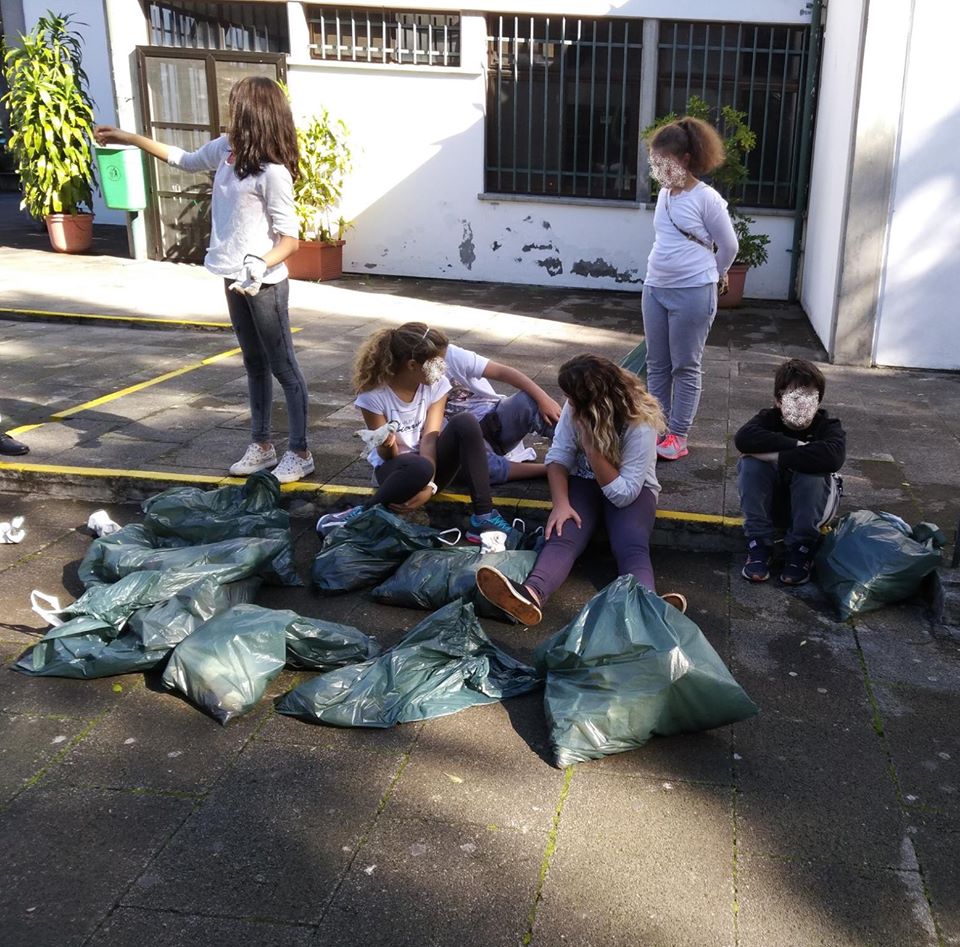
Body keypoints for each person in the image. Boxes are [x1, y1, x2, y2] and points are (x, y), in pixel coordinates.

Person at [94, 77, 313, 484]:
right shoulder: (227, 149)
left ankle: (299, 451)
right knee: (253, 363)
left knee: (284, 366)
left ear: (254, 113)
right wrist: (129, 136)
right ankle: (262, 445)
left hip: (263, 284)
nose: (230, 111)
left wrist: (258, 266)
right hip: (232, 275)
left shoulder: (274, 173)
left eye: (236, 105)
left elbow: (290, 241)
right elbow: (183, 158)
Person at [475, 354, 687, 626]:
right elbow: (558, 456)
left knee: (630, 542)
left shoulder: (639, 422)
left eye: (571, 398)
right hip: (585, 482)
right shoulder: (575, 408)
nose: (567, 403)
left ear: (592, 403)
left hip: (632, 490)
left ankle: (647, 605)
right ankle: (529, 596)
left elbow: (624, 493)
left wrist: (591, 448)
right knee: (563, 534)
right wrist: (561, 503)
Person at [316, 322, 513, 543]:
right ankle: (361, 514)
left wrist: (430, 486)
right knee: (418, 466)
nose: (443, 368)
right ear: (412, 365)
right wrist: (388, 444)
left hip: (431, 470)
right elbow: (386, 457)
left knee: (465, 422)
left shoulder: (437, 385)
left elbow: (430, 438)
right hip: (396, 473)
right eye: (436, 363)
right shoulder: (373, 396)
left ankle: (483, 517)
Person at [642, 116, 738, 462]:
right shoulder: (665, 196)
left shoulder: (707, 199)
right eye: (655, 164)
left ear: (685, 159)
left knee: (685, 365)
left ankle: (677, 435)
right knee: (657, 364)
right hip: (655, 287)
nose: (658, 171)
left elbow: (729, 246)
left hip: (693, 290)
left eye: (663, 163)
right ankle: (656, 428)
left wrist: (716, 273)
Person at [734, 358, 846, 586]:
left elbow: (833, 457)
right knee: (751, 465)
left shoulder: (828, 425)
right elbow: (743, 439)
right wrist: (797, 446)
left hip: (812, 508)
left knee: (811, 472)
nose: (802, 406)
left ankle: (801, 548)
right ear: (778, 400)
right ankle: (759, 543)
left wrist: (775, 456)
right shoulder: (768, 419)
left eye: (809, 398)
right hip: (774, 504)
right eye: (795, 398)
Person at [443, 343, 561, 484]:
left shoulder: (450, 354)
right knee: (476, 469)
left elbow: (502, 372)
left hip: (493, 421)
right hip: (462, 444)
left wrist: (544, 399)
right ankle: (550, 470)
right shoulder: (418, 384)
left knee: (528, 402)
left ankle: (581, 448)